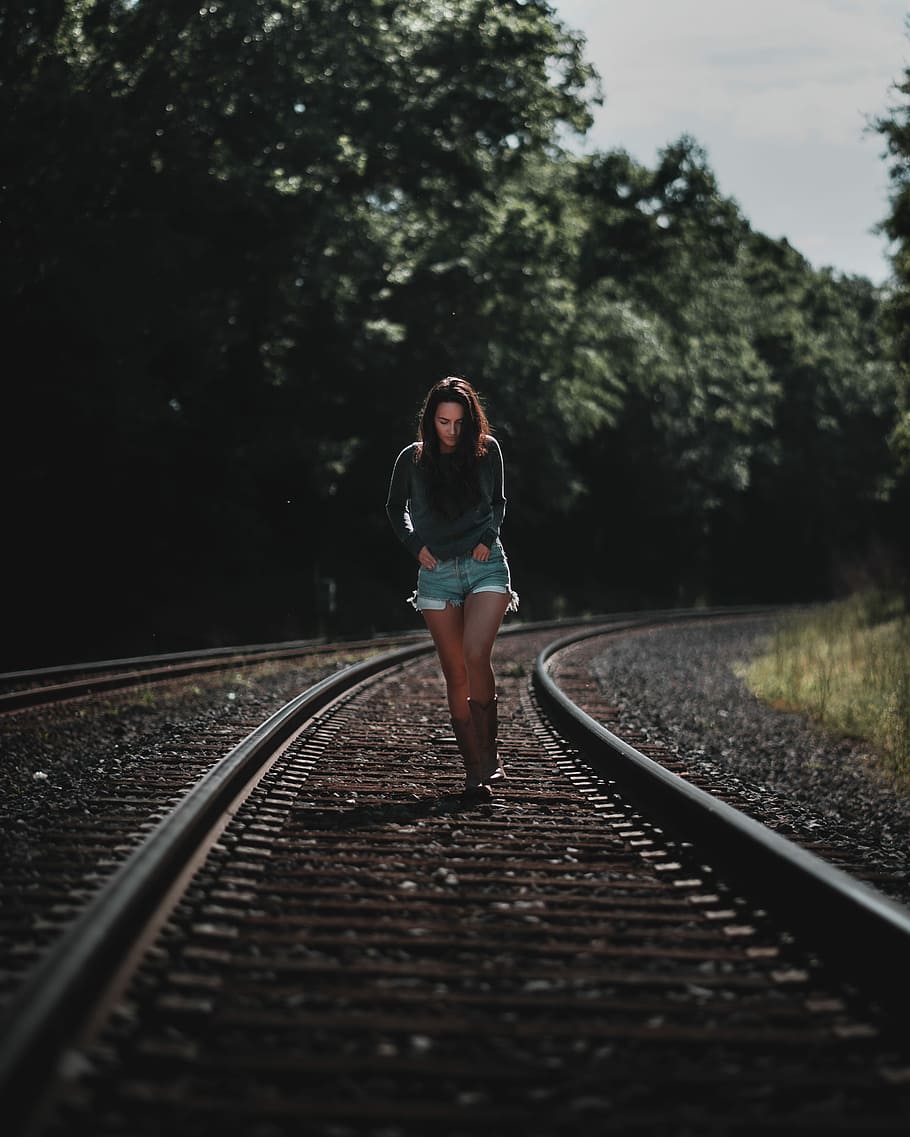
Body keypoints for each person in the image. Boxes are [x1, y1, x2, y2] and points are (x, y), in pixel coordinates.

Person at [386, 377, 519, 799]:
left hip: (485, 565)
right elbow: (394, 507)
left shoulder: (487, 450)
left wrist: (486, 537)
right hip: (436, 572)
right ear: (431, 421)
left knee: (476, 653)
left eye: (460, 423)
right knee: (455, 671)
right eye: (444, 422)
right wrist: (413, 546)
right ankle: (474, 767)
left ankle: (491, 756)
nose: (452, 431)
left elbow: (498, 502)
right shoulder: (412, 459)